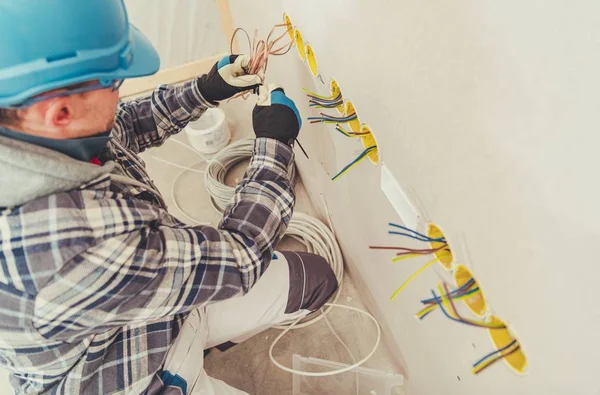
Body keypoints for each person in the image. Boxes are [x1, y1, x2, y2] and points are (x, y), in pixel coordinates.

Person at [0, 1, 338, 394]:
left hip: (154, 297)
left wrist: (206, 89)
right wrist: (275, 144)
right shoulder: (73, 243)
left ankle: (204, 336)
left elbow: (121, 125)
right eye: (113, 83)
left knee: (316, 280)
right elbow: (242, 255)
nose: (120, 89)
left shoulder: (31, 134)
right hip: (128, 373)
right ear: (60, 113)